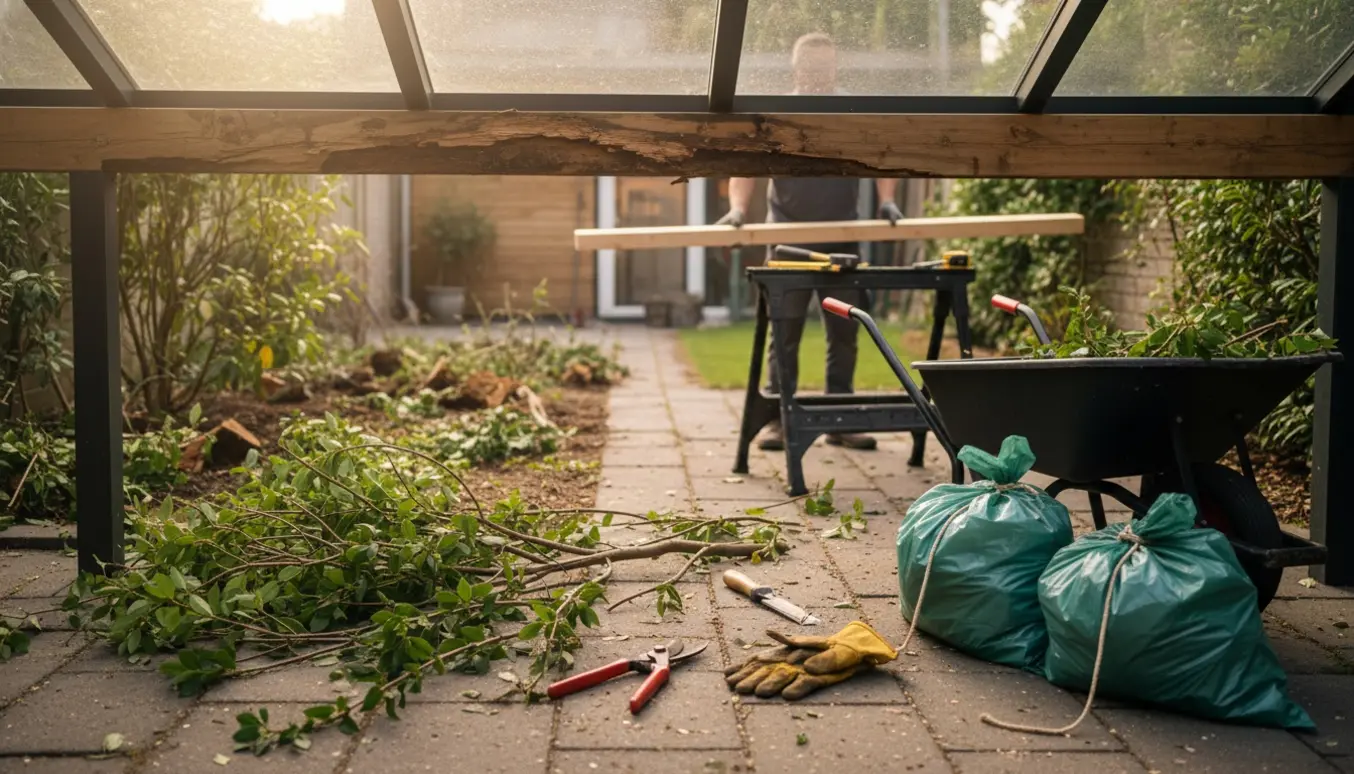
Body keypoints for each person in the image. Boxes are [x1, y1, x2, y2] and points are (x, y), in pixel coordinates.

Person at [717, 32, 903, 452]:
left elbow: (881, 158)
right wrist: (738, 211)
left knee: (844, 330)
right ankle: (778, 422)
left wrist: (887, 202)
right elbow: (745, 168)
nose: (819, 74)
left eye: (826, 67)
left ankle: (839, 419)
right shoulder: (776, 112)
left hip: (843, 238)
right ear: (796, 69)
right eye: (812, 67)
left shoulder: (852, 110)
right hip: (786, 240)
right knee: (783, 331)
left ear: (835, 68)